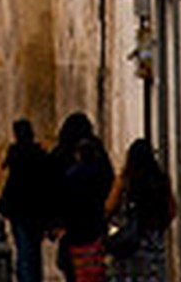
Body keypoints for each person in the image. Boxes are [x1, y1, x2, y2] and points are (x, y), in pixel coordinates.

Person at [49, 114, 114, 282]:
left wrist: (55, 224)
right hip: (95, 225)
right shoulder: (99, 158)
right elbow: (109, 184)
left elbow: (54, 193)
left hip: (73, 229)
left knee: (73, 268)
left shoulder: (61, 157)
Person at [105, 137, 175, 282]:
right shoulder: (160, 180)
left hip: (129, 245)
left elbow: (109, 207)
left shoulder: (124, 181)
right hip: (153, 243)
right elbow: (171, 210)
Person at [0, 118, 54, 282]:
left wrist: (2, 206)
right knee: (34, 250)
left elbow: (10, 182)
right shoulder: (39, 154)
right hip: (37, 210)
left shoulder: (15, 153)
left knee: (24, 249)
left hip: (20, 210)